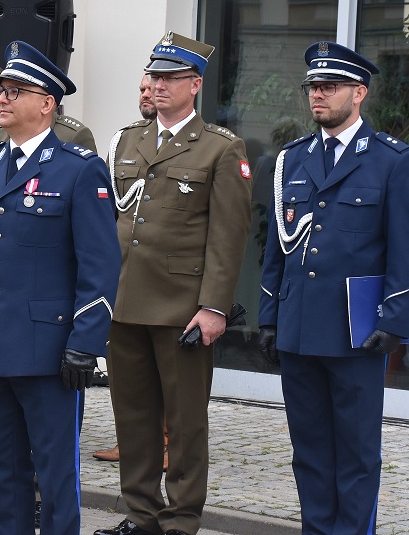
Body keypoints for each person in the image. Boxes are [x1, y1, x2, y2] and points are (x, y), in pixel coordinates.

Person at [0, 40, 120, 534]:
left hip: (49, 349)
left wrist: (85, 343)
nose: (2, 98)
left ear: (47, 104)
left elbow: (100, 268)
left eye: (16, 91)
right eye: (0, 89)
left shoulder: (78, 169)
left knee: (56, 473)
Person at [95, 32, 251, 535]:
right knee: (134, 420)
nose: (158, 85)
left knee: (184, 425)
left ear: (195, 85)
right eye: (154, 76)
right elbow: (111, 225)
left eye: (170, 78)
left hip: (182, 308)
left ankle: (181, 520)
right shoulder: (129, 140)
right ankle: (140, 516)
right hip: (124, 302)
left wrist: (214, 308)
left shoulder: (220, 149)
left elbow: (228, 238)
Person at [258, 42, 409, 535]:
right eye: (313, 88)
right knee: (310, 451)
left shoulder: (390, 161)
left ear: (359, 93)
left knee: (357, 453)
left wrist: (395, 320)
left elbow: (403, 250)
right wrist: (268, 317)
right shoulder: (294, 160)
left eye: (330, 87)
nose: (317, 95)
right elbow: (276, 247)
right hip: (300, 328)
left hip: (356, 330)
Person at [93, 73, 159, 466]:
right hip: (123, 279)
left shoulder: (211, 144)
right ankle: (129, 439)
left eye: (153, 86)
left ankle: (166, 442)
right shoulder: (124, 141)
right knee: (125, 375)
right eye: (141, 88)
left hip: (169, 283)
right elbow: (105, 208)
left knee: (165, 378)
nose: (147, 93)